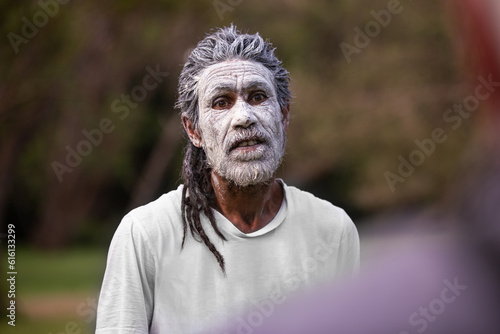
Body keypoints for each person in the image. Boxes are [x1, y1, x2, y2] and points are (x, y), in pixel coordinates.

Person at [95, 25, 360, 334]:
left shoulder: (333, 230)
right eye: (222, 102)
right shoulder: (144, 234)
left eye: (258, 96)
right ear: (193, 130)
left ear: (284, 115)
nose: (244, 116)